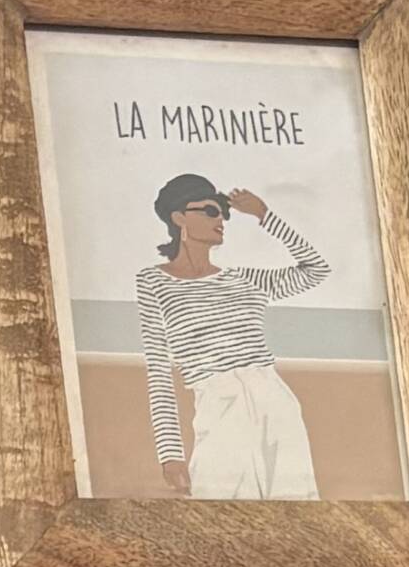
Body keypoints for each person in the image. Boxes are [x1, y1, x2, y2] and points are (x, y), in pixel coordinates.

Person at [136, 175, 330, 497]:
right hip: (217, 404)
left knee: (297, 515)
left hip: (275, 403)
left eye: (224, 213)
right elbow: (158, 372)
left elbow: (316, 270)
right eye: (212, 211)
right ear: (179, 217)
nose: (222, 219)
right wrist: (170, 453)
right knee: (222, 519)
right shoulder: (154, 283)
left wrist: (265, 216)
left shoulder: (245, 280)